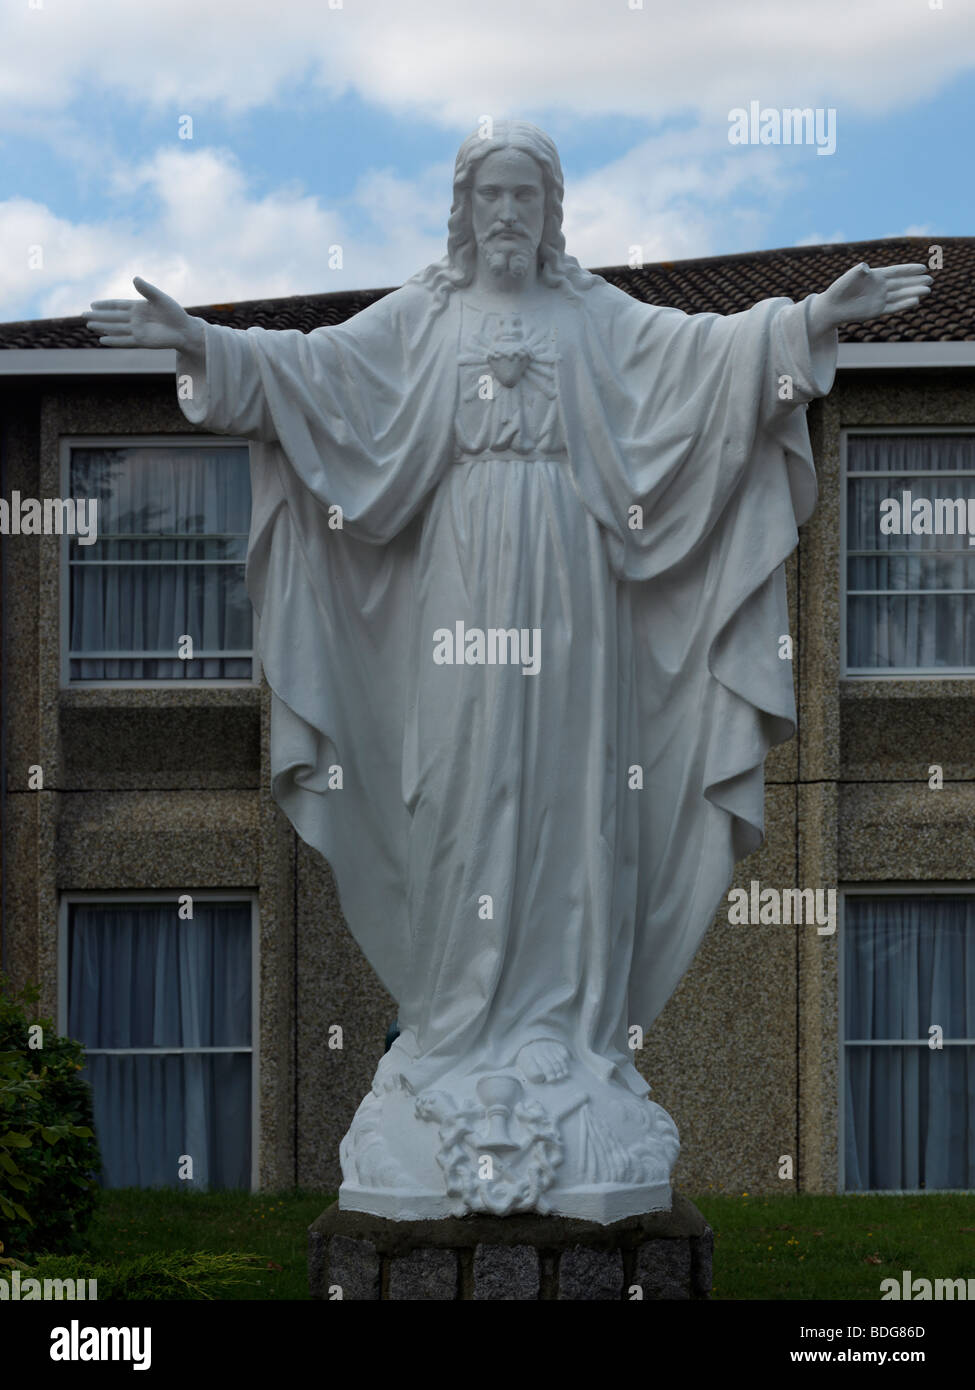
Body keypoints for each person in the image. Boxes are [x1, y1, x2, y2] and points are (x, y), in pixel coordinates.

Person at [85, 121, 931, 1219]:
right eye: (490, 195)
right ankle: (453, 1022)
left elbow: (705, 356)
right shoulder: (423, 318)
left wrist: (814, 318)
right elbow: (310, 370)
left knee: (570, 799)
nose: (506, 216)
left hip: (572, 585)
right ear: (462, 208)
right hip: (460, 584)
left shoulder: (592, 317)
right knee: (460, 792)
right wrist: (199, 340)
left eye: (526, 196)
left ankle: (568, 1037)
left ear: (552, 210)